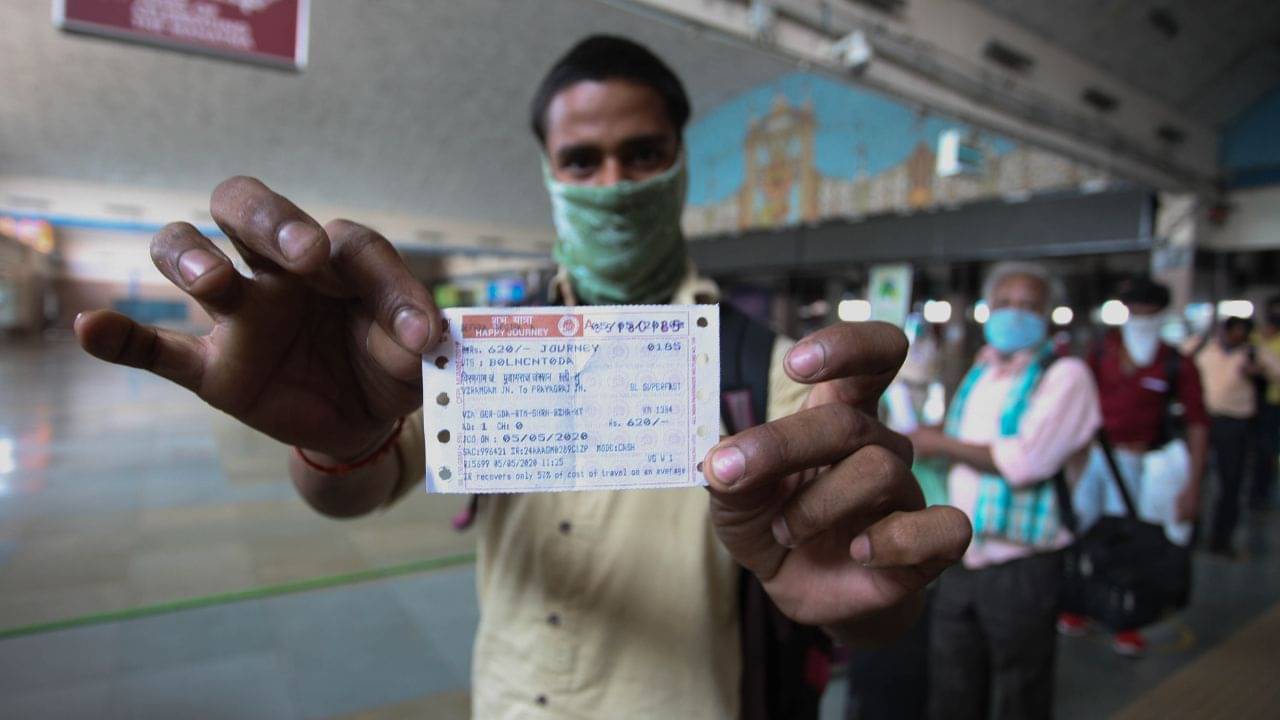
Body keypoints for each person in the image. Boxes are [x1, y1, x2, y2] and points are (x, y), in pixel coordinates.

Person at [72, 35, 971, 719]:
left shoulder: (770, 373)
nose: (613, 182)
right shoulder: (470, 352)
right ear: (549, 172)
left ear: (682, 161)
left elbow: (850, 597)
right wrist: (332, 435)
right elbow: (357, 489)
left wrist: (866, 599)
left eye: (643, 154)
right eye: (583, 161)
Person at [911, 261, 1101, 720]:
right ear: (988, 309)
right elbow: (962, 430)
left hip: (1022, 563)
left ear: (1049, 314)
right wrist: (921, 434)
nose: (1015, 314)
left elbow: (1026, 461)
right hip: (962, 556)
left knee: (1022, 688)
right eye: (1005, 304)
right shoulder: (983, 369)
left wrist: (937, 443)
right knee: (952, 683)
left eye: (1029, 305)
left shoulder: (1066, 376)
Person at [1057, 276, 1209, 656]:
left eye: (1149, 313)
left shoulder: (1177, 363)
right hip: (1094, 458)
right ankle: (1077, 605)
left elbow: (1197, 424)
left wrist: (1193, 485)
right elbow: (1077, 410)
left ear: (1161, 315)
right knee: (1081, 531)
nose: (1140, 319)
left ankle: (1128, 619)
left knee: (1132, 542)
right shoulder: (1100, 355)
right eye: (1134, 311)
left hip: (1142, 465)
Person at [1194, 315, 1269, 556]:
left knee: (1231, 481)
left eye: (1242, 333)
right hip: (1202, 421)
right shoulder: (1203, 347)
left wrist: (1258, 370)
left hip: (1235, 424)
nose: (1237, 336)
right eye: (1233, 331)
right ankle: (1190, 534)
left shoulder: (1253, 353)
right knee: (1194, 477)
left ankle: (1221, 538)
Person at [1251, 295, 1280, 511]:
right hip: (1252, 402)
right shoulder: (1254, 338)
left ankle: (1262, 492)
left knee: (1268, 449)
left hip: (1273, 401)